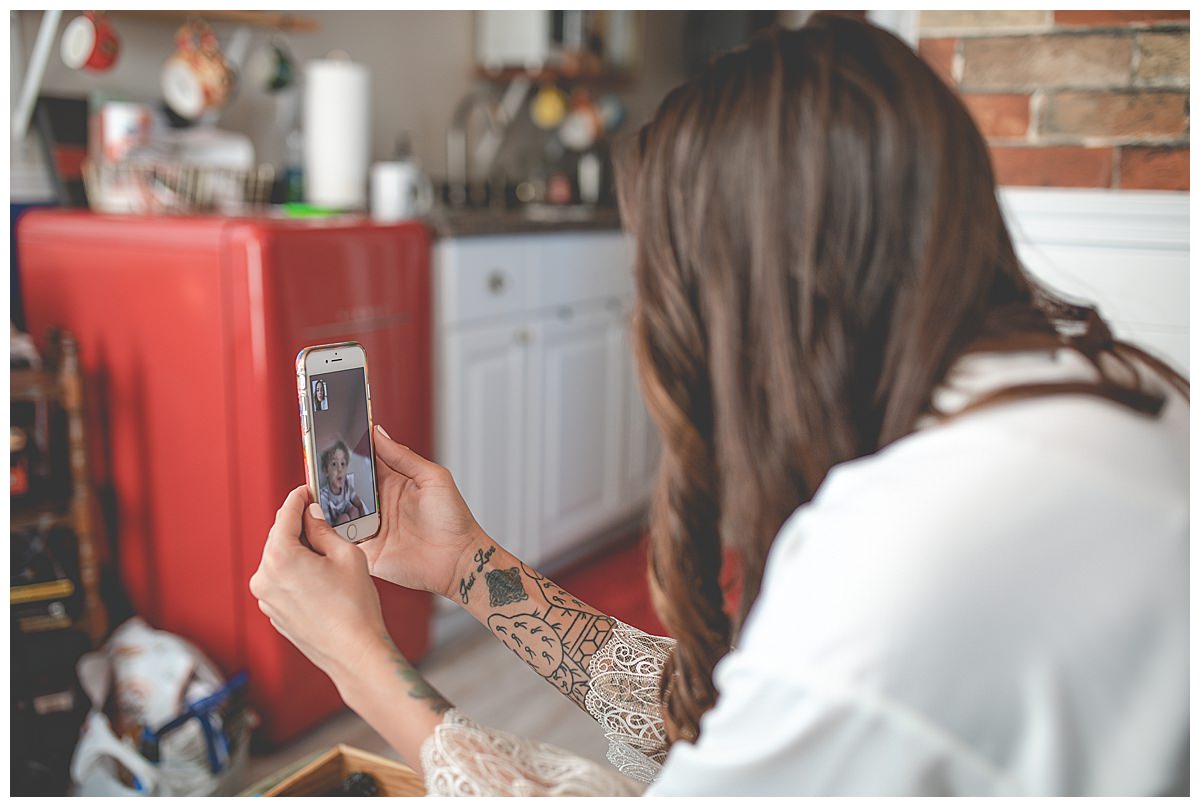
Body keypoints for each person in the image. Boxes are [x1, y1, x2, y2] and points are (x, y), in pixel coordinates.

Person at [249, 14, 1188, 796]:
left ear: (755, 294)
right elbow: (729, 709)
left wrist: (360, 663)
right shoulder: (1100, 390)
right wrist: (465, 565)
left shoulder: (899, 562)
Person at [318, 440, 365, 526]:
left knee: (354, 510)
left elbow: (359, 504)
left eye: (343, 464)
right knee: (344, 518)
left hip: (352, 527)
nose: (340, 469)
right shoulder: (323, 497)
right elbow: (327, 526)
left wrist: (364, 521)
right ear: (326, 471)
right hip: (336, 529)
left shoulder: (347, 487)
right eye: (334, 464)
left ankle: (359, 534)